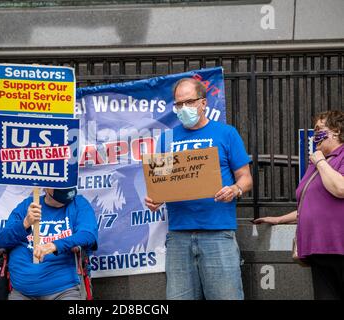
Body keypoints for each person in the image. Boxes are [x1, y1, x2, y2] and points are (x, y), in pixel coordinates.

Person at [145, 78, 253, 300]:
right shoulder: (166, 139)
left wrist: (234, 190)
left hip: (218, 233)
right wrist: (155, 199)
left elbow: (246, 178)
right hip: (178, 236)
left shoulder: (226, 134)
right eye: (178, 104)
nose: (183, 108)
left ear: (203, 103)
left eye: (189, 102)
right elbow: (161, 184)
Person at [254, 110, 344, 300]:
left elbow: (340, 188)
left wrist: (320, 160)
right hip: (319, 249)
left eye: (320, 129)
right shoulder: (317, 164)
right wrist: (279, 219)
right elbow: (311, 205)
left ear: (336, 131)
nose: (315, 135)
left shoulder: (334, 158)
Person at [0, 187, 98, 300]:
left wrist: (54, 245)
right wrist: (25, 223)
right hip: (22, 290)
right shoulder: (28, 206)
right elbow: (1, 240)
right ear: (46, 188)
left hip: (64, 289)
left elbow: (88, 234)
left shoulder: (78, 203)